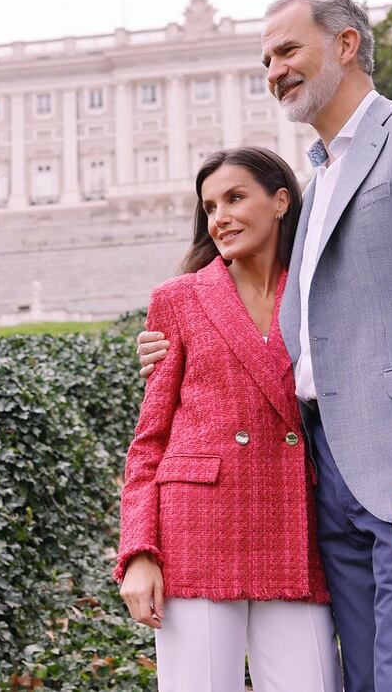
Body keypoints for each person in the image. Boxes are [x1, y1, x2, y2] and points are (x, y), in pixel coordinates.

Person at [138, 0, 392, 691]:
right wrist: (176, 347)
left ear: (345, 45)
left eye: (287, 50)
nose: (274, 69)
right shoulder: (316, 183)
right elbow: (303, 331)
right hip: (328, 480)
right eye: (266, 59)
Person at [115, 146, 342, 691]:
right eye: (210, 206)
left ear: (281, 200)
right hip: (195, 529)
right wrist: (138, 552)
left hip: (293, 526)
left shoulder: (320, 291)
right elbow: (150, 440)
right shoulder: (178, 299)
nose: (220, 217)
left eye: (236, 197)